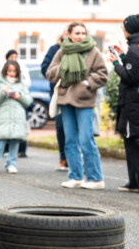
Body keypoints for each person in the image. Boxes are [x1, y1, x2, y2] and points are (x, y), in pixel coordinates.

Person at [46, 22, 108, 190]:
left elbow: (103, 75)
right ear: (69, 35)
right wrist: (63, 69)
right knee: (70, 140)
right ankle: (75, 176)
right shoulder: (62, 51)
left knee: (86, 140)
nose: (81, 36)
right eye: (77, 33)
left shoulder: (93, 51)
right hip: (65, 100)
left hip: (85, 100)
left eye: (83, 33)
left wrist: (87, 83)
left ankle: (96, 178)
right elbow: (49, 73)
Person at [109, 14, 139, 194]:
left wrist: (116, 64)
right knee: (132, 140)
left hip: (132, 103)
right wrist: (122, 55)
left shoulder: (135, 49)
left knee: (138, 140)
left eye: (124, 26)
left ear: (132, 28)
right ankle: (136, 181)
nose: (123, 29)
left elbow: (130, 77)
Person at [0, 60, 33, 174]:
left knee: (15, 142)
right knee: (0, 141)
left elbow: (28, 100)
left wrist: (18, 96)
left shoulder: (21, 84)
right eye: (10, 71)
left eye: (14, 71)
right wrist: (3, 92)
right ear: (5, 70)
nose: (12, 73)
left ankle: (12, 164)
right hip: (4, 117)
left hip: (17, 117)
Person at [41, 29, 68, 171]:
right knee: (61, 126)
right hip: (58, 92)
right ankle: (63, 158)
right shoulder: (55, 49)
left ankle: (76, 159)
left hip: (78, 94)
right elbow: (45, 68)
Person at [4, 49, 31, 158]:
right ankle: (6, 148)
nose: (14, 59)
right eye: (11, 57)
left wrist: (19, 91)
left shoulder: (22, 68)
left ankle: (22, 149)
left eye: (15, 57)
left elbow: (28, 83)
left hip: (19, 99)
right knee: (7, 124)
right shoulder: (3, 69)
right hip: (7, 101)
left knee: (22, 124)